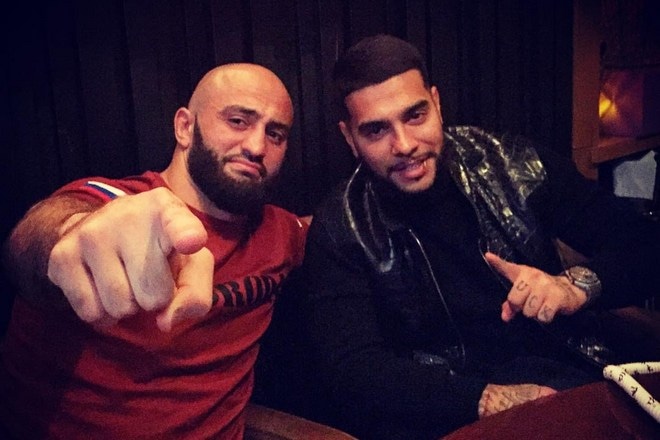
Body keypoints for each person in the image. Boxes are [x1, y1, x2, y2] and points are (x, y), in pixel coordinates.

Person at [295, 34, 660, 439]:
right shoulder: (341, 226)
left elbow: (646, 245)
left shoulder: (514, 164)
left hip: (566, 378)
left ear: (436, 103)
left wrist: (572, 287)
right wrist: (485, 399)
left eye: (415, 116)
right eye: (376, 130)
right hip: (448, 414)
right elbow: (353, 369)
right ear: (350, 138)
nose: (404, 144)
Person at [0, 63, 308, 439]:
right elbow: (40, 238)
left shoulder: (280, 232)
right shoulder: (113, 203)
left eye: (275, 134)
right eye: (238, 121)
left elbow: (322, 229)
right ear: (185, 127)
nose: (257, 147)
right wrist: (72, 236)